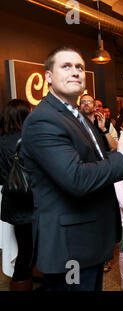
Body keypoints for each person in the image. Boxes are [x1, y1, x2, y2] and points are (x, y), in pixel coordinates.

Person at [21, 46, 123, 291]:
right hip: (70, 247)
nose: (76, 72)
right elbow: (77, 179)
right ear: (48, 76)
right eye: (66, 66)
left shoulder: (78, 116)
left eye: (80, 67)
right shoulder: (44, 119)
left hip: (89, 241)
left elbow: (98, 163)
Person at [0, 99, 36, 291]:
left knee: (24, 247)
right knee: (28, 252)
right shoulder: (27, 139)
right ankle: (22, 282)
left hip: (12, 202)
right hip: (30, 201)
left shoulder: (1, 140)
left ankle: (23, 280)